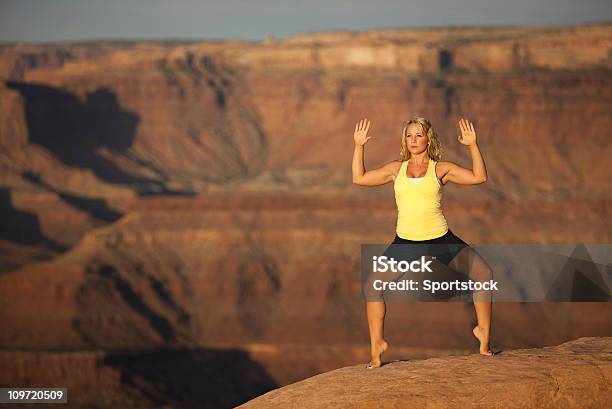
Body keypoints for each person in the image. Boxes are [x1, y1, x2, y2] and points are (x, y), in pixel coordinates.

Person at [352, 116, 495, 369]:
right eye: (409, 136)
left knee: (483, 273)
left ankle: (483, 332)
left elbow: (479, 177)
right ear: (404, 141)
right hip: (406, 242)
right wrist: (359, 146)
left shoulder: (440, 169)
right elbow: (359, 178)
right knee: (372, 286)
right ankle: (377, 344)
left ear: (428, 138)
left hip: (440, 239)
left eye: (419, 135)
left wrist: (473, 145)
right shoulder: (396, 169)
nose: (414, 140)